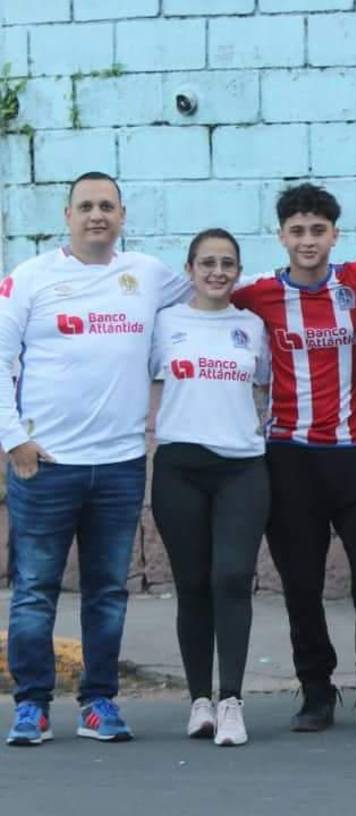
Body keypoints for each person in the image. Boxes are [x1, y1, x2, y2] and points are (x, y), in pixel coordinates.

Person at [2, 171, 190, 746]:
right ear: (67, 215)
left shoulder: (148, 276)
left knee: (107, 590)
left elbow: (218, 287)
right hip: (46, 465)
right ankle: (31, 705)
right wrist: (14, 441)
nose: (96, 216)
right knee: (35, 588)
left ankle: (99, 701)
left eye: (107, 206)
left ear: (123, 214)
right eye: (85, 206)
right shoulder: (30, 279)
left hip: (119, 465)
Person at [229, 184, 356, 735]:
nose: (308, 240)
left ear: (334, 234)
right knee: (301, 584)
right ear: (282, 236)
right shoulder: (257, 294)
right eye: (297, 231)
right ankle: (316, 690)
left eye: (318, 230)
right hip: (289, 459)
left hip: (355, 455)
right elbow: (201, 297)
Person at [149, 229, 270, 747]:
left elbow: (266, 383)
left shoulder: (254, 326)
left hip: (242, 467)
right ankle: (200, 700)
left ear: (238, 270)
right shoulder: (164, 323)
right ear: (190, 268)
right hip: (179, 467)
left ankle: (231, 700)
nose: (217, 272)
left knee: (232, 576)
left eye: (227, 264)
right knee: (193, 584)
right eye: (207, 263)